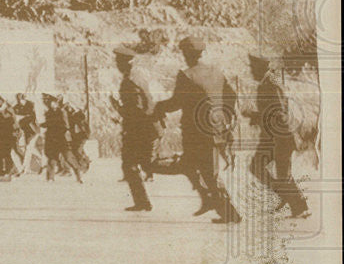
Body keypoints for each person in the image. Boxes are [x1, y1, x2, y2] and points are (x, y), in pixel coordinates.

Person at [153, 36, 242, 224]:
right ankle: (214, 204)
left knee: (203, 171)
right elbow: (231, 96)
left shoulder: (186, 75)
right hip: (217, 130)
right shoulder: (216, 72)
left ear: (186, 54)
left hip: (196, 133)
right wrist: (223, 117)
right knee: (201, 169)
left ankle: (226, 210)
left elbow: (176, 102)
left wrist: (159, 107)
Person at [246, 51, 310, 219]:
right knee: (275, 172)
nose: (251, 71)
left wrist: (255, 116)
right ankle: (296, 204)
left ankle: (295, 203)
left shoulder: (270, 85)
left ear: (260, 68)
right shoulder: (270, 82)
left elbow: (278, 113)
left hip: (279, 138)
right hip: (276, 137)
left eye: (252, 68)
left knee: (273, 172)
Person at [110, 46, 158, 211]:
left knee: (138, 164)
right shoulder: (138, 78)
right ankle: (142, 202)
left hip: (139, 129)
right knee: (137, 164)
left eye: (119, 61)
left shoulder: (129, 81)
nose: (117, 64)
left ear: (126, 63)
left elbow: (136, 109)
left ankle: (142, 202)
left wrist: (118, 108)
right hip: (144, 127)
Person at [42, 95, 83, 183]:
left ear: (56, 103)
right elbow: (48, 123)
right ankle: (50, 178)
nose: (50, 104)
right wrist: (42, 125)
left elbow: (66, 125)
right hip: (51, 138)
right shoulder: (48, 112)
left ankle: (78, 175)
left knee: (68, 158)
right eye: (49, 103)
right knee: (52, 158)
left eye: (52, 102)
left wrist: (65, 135)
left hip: (61, 138)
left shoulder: (62, 112)